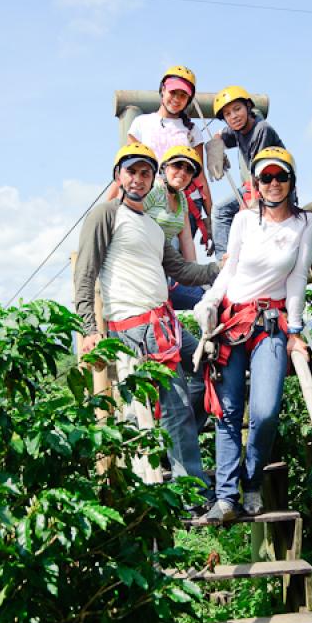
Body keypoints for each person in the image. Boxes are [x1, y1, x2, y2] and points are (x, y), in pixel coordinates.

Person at [75, 142, 219, 505]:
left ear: (152, 178)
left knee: (207, 368)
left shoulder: (152, 226)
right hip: (136, 327)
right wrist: (90, 329)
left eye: (145, 173)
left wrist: (226, 266)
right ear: (118, 176)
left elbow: (183, 271)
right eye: (131, 171)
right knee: (172, 408)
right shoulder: (106, 214)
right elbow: (85, 273)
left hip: (164, 324)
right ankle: (191, 494)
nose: (138, 179)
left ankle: (184, 473)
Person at [193, 147, 312, 524]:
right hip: (232, 321)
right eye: (266, 177)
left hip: (269, 324)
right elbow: (230, 270)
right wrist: (211, 299)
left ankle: (252, 483)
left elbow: (297, 278)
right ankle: (226, 497)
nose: (274, 183)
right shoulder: (245, 221)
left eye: (281, 176)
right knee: (228, 411)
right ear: (256, 184)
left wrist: (295, 330)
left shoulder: (307, 224)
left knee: (264, 413)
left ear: (291, 181)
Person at [108, 65, 213, 252]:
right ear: (163, 90)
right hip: (149, 196)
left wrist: (210, 217)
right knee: (148, 253)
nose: (177, 99)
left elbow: (199, 176)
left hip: (183, 201)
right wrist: (108, 205)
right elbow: (127, 166)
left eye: (183, 95)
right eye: (173, 92)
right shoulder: (142, 123)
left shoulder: (192, 131)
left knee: (178, 259)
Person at [205, 85, 285, 260]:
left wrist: (246, 206)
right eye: (227, 114)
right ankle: (223, 262)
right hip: (253, 186)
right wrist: (216, 149)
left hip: (274, 187)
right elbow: (219, 135)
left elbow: (260, 174)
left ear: (248, 107)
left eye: (237, 109)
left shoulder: (261, 129)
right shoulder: (236, 130)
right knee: (220, 209)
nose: (233, 116)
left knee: (249, 221)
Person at [144, 144, 206, 310]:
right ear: (165, 167)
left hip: (163, 268)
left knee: (203, 299)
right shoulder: (154, 190)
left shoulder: (181, 199)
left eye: (189, 170)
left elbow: (186, 239)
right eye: (177, 165)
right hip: (143, 267)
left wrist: (196, 274)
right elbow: (129, 218)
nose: (183, 173)